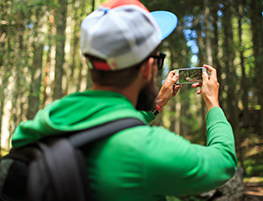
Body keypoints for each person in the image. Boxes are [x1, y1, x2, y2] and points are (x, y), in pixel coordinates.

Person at [11, 0, 237, 200]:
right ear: (148, 68)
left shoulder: (48, 119)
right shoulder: (148, 149)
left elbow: (102, 126)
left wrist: (156, 104)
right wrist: (212, 104)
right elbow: (223, 163)